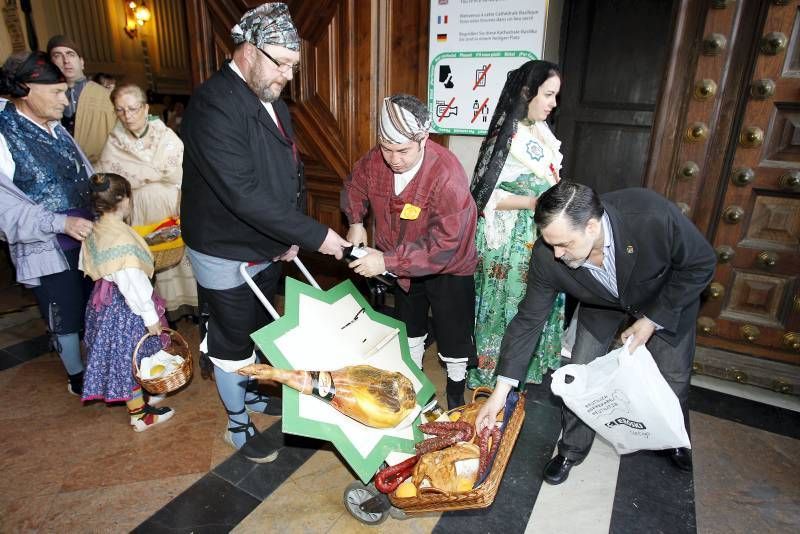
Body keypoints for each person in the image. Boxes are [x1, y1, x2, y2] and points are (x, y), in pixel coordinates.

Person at [180, 2, 350, 463]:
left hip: (266, 242)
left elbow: (289, 169)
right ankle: (237, 424)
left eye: (294, 66)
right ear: (249, 51)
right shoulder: (213, 104)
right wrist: (318, 235)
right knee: (231, 340)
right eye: (283, 64)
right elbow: (243, 194)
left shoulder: (269, 95)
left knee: (259, 328)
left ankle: (250, 393)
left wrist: (287, 236)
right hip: (224, 247)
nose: (289, 76)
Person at [475, 181, 716, 484]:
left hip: (663, 299)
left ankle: (675, 439)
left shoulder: (650, 215)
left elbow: (702, 263)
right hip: (600, 304)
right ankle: (570, 450)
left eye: (565, 244)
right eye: (551, 244)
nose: (558, 254)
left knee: (675, 377)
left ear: (591, 226)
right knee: (580, 376)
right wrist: (499, 394)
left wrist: (653, 320)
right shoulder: (547, 256)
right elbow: (527, 321)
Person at [341, 94, 479, 409]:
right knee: (409, 324)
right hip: (399, 261)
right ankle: (413, 381)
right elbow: (354, 186)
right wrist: (356, 221)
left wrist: (386, 261)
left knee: (453, 330)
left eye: (403, 150)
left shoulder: (447, 175)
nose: (394, 158)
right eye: (387, 148)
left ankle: (456, 391)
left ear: (424, 139)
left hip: (449, 265)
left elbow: (444, 245)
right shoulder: (377, 159)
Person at [0, 51, 95, 396]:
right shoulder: (3, 134)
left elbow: (83, 173)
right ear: (25, 89)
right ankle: (76, 375)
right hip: (46, 241)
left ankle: (98, 361)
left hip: (83, 233)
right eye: (55, 92)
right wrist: (59, 222)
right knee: (63, 309)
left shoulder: (56, 128)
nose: (65, 99)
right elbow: (5, 207)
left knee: (89, 301)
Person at [468, 60, 565, 390]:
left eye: (555, 96)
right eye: (548, 95)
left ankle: (523, 371)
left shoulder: (540, 130)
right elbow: (482, 196)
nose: (553, 103)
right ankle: (493, 376)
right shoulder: (506, 135)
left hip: (541, 231)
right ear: (527, 92)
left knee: (535, 303)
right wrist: (530, 203)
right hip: (510, 238)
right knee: (508, 305)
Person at [79, 173, 175, 431]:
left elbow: (86, 263)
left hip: (103, 301)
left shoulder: (95, 228)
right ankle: (140, 415)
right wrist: (150, 317)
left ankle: (148, 393)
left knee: (128, 355)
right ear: (123, 200)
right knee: (130, 358)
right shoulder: (121, 239)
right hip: (126, 307)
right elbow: (134, 284)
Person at [95, 84, 197, 319]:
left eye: (132, 108)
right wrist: (151, 174)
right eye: (120, 110)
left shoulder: (166, 135)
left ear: (145, 107)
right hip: (138, 213)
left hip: (172, 208)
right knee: (151, 264)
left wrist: (141, 175)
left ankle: (193, 309)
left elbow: (177, 170)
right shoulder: (113, 143)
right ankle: (162, 313)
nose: (127, 116)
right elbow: (110, 178)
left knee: (182, 259)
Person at [47, 35, 116, 164]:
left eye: (70, 54)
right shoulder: (45, 98)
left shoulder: (106, 96)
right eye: (57, 56)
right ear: (51, 65)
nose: (66, 60)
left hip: (101, 167)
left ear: (82, 62)